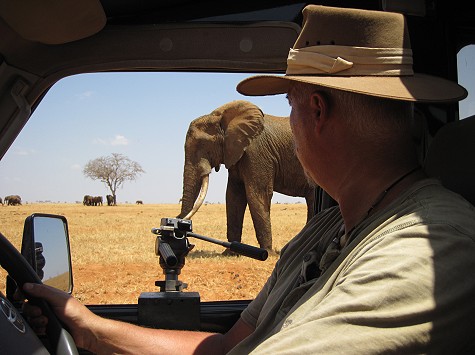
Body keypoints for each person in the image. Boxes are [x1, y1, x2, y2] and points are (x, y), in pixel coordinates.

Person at [22, 5, 475, 354]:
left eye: (291, 105)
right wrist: (90, 327)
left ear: (315, 111)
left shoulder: (430, 249)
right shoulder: (328, 229)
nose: (288, 123)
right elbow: (224, 347)